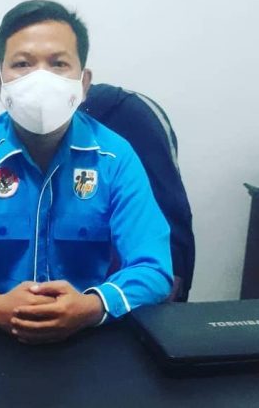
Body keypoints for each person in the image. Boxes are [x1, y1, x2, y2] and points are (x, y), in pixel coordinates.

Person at [0, 0, 172, 345]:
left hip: (89, 340)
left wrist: (92, 306)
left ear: (84, 83)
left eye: (58, 63)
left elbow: (154, 267)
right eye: (22, 64)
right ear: (0, 83)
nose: (40, 78)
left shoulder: (115, 158)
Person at [80, 86, 195, 301]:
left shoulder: (119, 144)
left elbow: (160, 267)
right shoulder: (8, 144)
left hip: (116, 305)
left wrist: (93, 305)